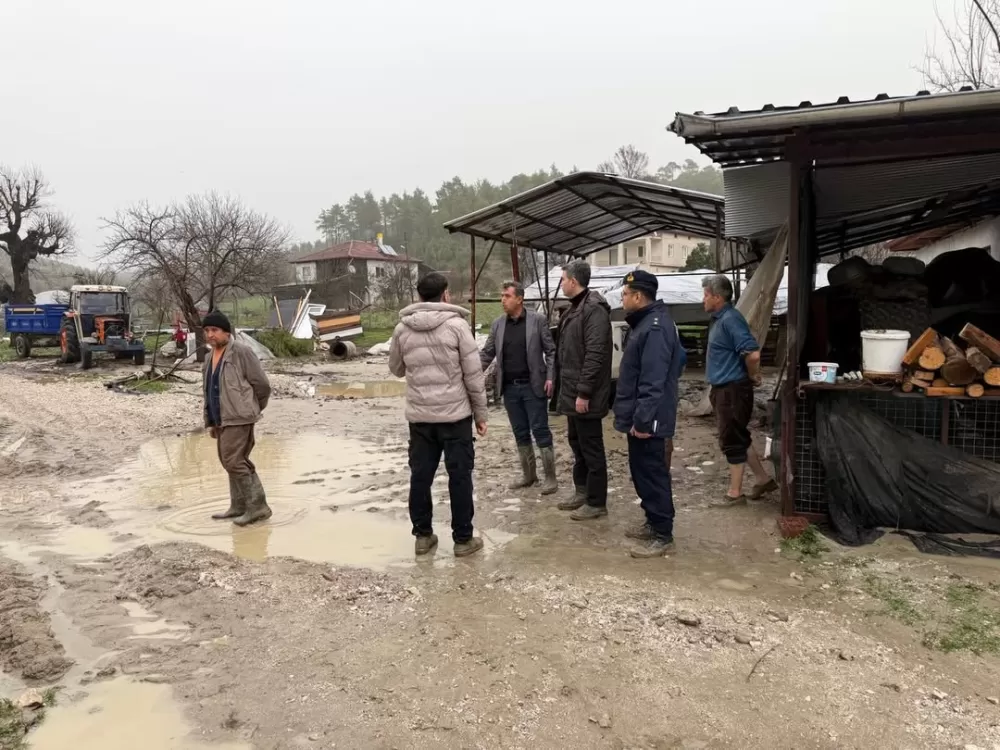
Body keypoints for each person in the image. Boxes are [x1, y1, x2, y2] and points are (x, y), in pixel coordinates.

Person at [389, 272, 489, 557]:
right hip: (455, 417)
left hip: (420, 419)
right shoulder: (458, 327)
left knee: (420, 477)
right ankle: (463, 540)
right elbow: (473, 376)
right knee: (459, 477)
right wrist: (481, 415)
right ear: (445, 295)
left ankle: (423, 536)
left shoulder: (402, 329)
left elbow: (396, 369)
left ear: (419, 296)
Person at [613, 271, 686, 558]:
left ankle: (663, 533)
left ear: (638, 296)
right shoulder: (645, 324)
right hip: (640, 415)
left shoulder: (654, 328)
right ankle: (652, 521)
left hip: (649, 418)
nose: (623, 300)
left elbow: (653, 380)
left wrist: (643, 420)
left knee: (653, 472)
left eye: (625, 296)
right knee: (641, 471)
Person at [702, 274, 778, 504]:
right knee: (739, 435)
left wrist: (753, 374)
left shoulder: (730, 320)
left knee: (731, 439)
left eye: (705, 295)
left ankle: (735, 494)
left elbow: (752, 353)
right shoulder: (720, 319)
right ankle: (763, 479)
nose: (702, 300)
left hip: (732, 389)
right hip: (725, 388)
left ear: (717, 297)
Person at [480, 281, 558, 494]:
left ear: (520, 299)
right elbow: (487, 353)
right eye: (502, 296)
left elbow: (551, 351)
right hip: (510, 389)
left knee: (540, 430)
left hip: (534, 386)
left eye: (506, 296)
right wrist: (471, 372)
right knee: (520, 432)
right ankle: (529, 475)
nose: (502, 300)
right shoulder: (498, 324)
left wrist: (550, 377)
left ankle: (550, 478)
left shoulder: (538, 321)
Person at [202, 310, 273, 526]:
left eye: (214, 330)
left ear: (226, 331)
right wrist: (211, 420)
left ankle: (258, 506)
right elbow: (208, 390)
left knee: (235, 461)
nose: (210, 335)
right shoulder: (208, 357)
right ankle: (239, 506)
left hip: (239, 417)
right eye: (206, 331)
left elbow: (262, 385)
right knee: (228, 461)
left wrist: (250, 408)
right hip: (220, 417)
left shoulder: (242, 352)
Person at [554, 260, 612, 520]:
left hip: (584, 395)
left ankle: (597, 502)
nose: (562, 283)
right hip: (571, 392)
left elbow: (595, 354)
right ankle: (582, 490)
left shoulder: (594, 310)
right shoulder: (573, 309)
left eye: (563, 279)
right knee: (576, 443)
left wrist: (584, 392)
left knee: (591, 446)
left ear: (573, 282)